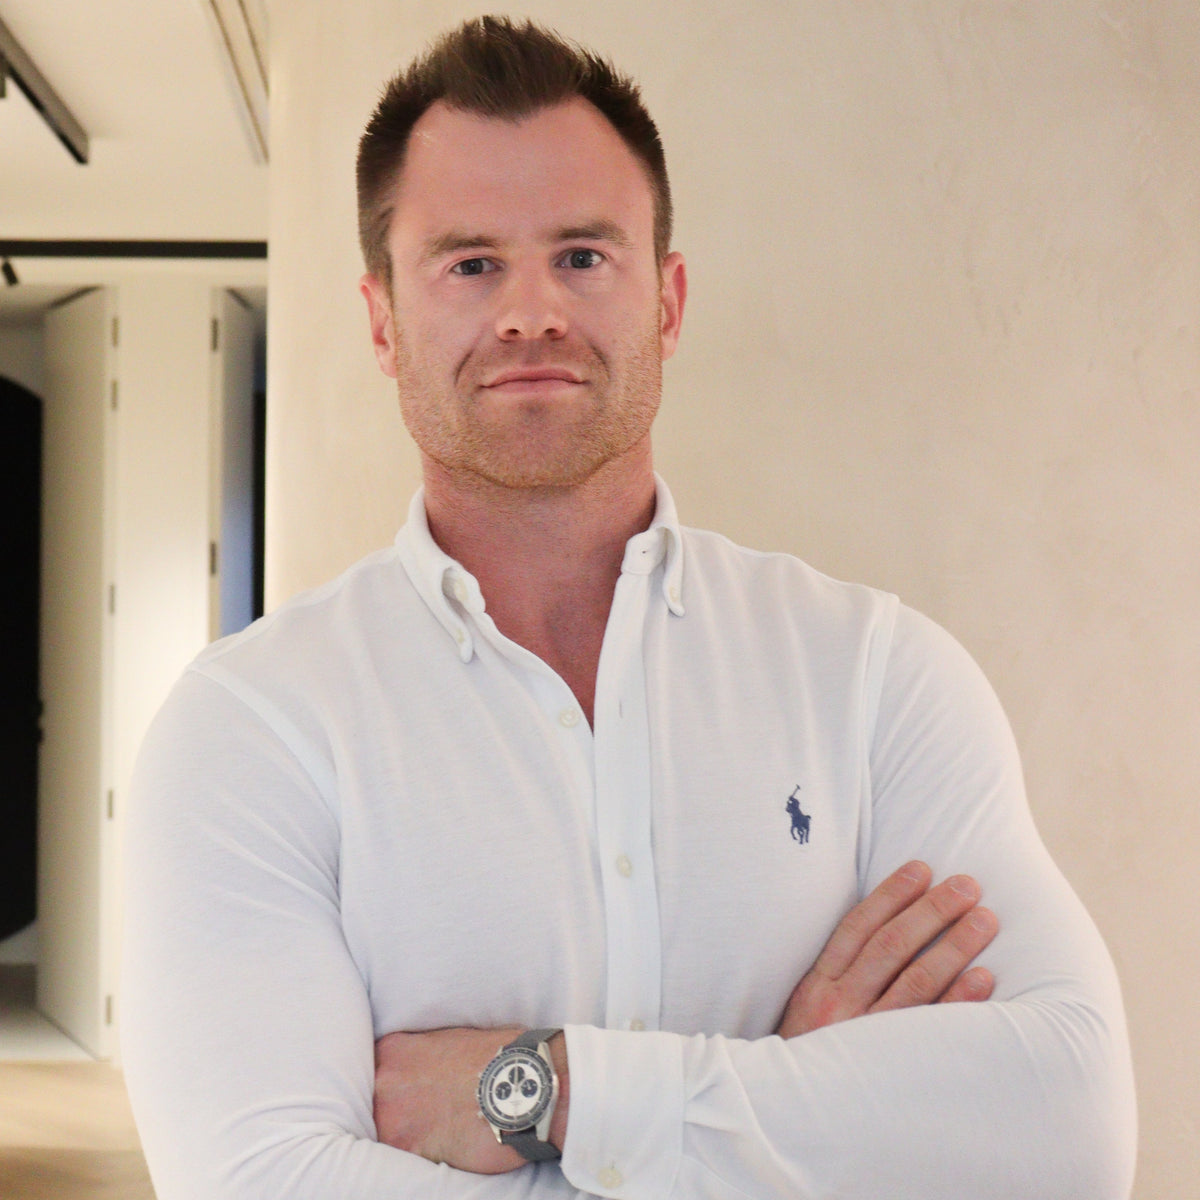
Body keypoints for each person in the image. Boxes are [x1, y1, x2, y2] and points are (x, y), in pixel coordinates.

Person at [121, 15, 1136, 1199]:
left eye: (583, 256)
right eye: (470, 263)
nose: (531, 312)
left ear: (669, 299)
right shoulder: (252, 729)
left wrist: (552, 1091)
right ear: (383, 321)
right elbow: (261, 1183)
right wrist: (788, 1105)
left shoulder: (875, 678)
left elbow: (1070, 1134)